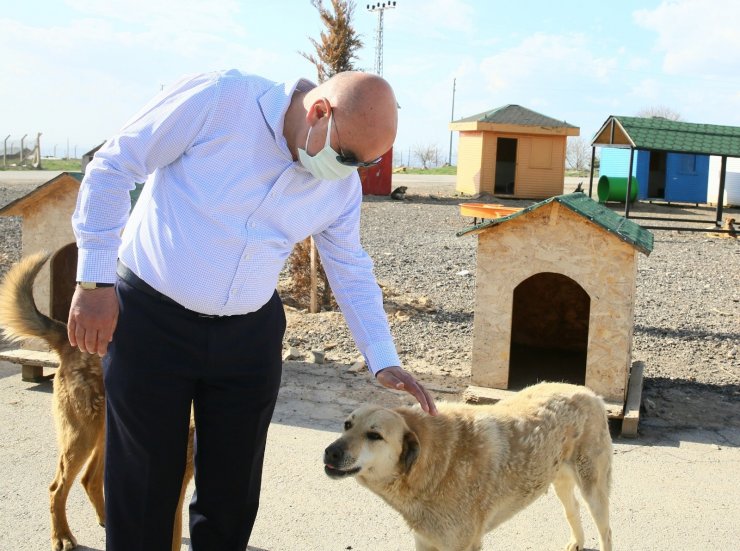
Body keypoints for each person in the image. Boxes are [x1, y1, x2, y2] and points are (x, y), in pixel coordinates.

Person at [68, 69, 438, 551]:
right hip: (152, 322)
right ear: (319, 113)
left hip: (248, 340)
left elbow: (349, 265)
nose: (349, 173)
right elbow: (113, 167)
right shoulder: (221, 100)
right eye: (347, 157)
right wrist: (94, 281)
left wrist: (383, 356)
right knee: (144, 487)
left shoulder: (339, 187)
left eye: (364, 164)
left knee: (232, 494)